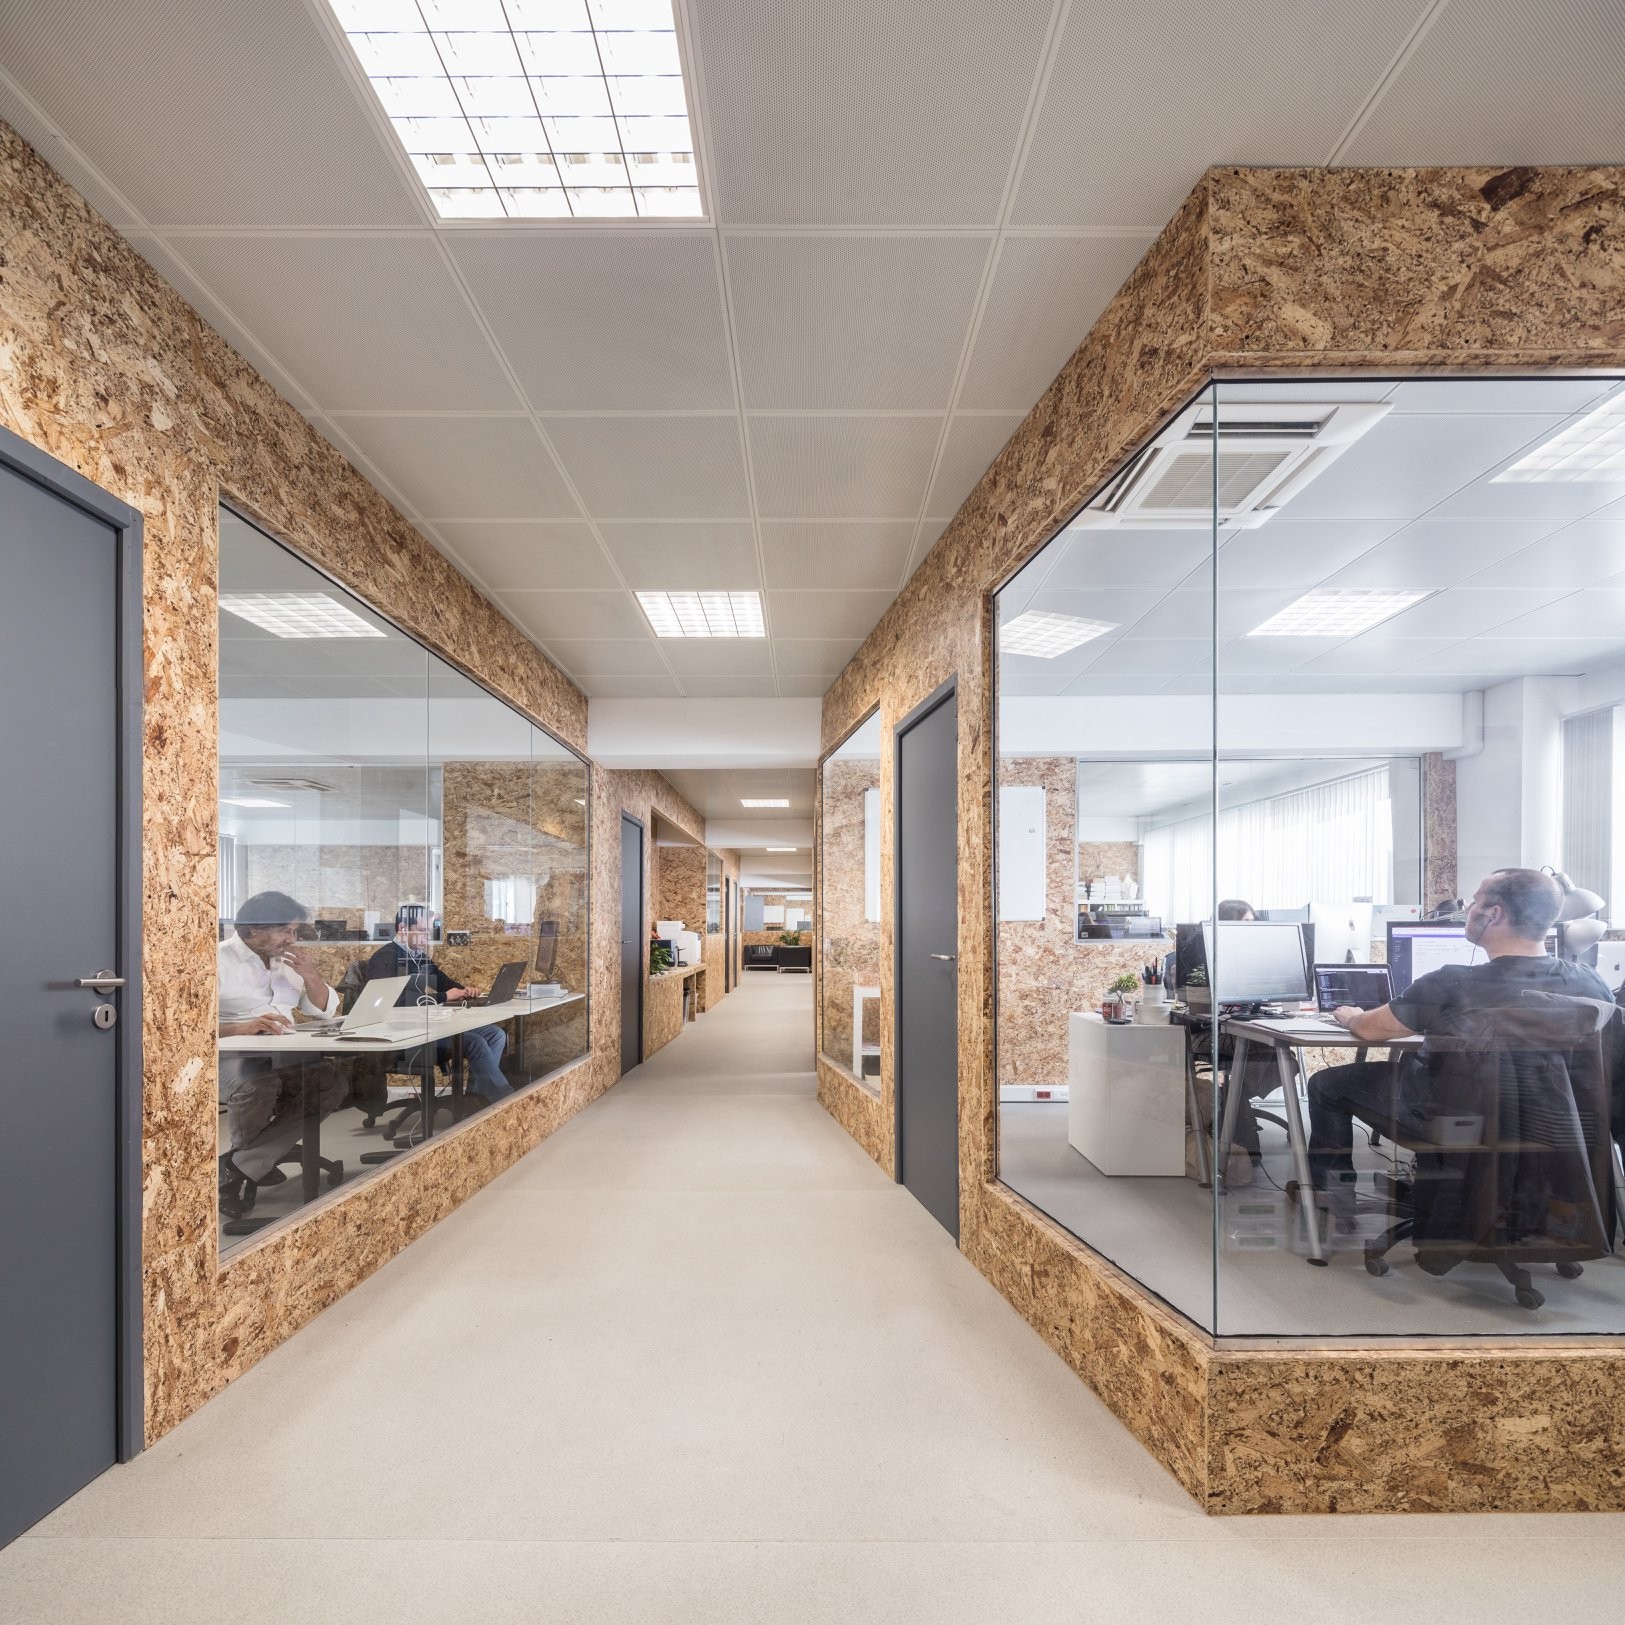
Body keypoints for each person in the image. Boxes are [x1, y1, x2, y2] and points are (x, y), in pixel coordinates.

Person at [1309, 868, 1615, 1213]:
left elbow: (1370, 1029)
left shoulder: (1451, 982)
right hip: (1552, 1123)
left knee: (1325, 1085)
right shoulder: (1591, 984)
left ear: (1493, 914)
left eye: (1474, 901)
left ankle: (1333, 1199)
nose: (1468, 909)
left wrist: (1350, 1015)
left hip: (1460, 1122)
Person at [218, 890, 346, 1219]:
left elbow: (326, 1011)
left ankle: (239, 1166)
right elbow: (183, 1025)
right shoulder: (215, 961)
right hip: (231, 1055)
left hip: (285, 1051)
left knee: (331, 1084)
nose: (292, 939)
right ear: (252, 931)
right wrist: (240, 1028)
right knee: (259, 1085)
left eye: (294, 931)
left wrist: (312, 976)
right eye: (285, 931)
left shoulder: (287, 964)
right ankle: (248, 1168)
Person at [359, 905, 512, 1106]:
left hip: (427, 1028)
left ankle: (475, 1099)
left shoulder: (418, 956)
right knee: (475, 1042)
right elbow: (391, 1006)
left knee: (496, 1035)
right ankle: (507, 1099)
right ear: (403, 928)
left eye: (428, 932)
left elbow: (442, 981)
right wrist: (442, 997)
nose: (427, 938)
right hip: (405, 1037)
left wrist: (465, 990)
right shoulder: (384, 959)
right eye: (422, 931)